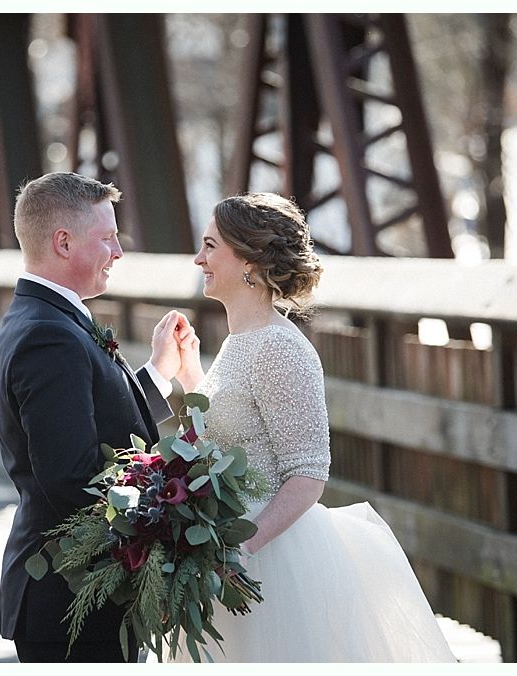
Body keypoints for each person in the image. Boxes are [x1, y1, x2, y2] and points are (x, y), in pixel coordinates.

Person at [167, 193, 456, 662]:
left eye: (210, 246)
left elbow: (307, 475)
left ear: (249, 262)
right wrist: (190, 378)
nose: (199, 259)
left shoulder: (281, 349)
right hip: (224, 550)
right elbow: (235, 433)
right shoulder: (240, 340)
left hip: (268, 558)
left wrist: (240, 550)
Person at [0, 172, 193, 663]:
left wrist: (159, 373)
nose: (119, 250)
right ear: (63, 242)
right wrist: (161, 535)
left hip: (72, 596)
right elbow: (73, 478)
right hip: (70, 598)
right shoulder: (50, 337)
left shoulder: (43, 318)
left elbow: (93, 425)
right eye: (107, 237)